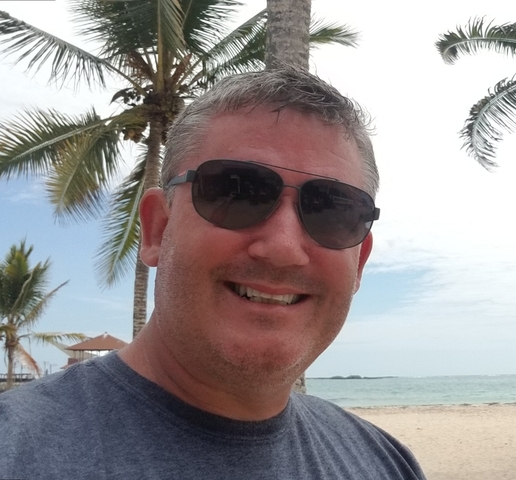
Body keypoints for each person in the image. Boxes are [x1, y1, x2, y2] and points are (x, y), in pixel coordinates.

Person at [0, 67, 425, 479]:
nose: (282, 248)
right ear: (157, 229)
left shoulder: (384, 463)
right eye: (236, 193)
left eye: (331, 209)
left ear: (359, 263)